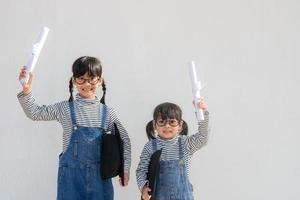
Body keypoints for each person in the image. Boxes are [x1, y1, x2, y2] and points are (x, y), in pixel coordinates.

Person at [17, 56, 131, 200]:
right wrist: (27, 90)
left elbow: (124, 140)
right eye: (81, 79)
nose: (86, 83)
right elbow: (35, 113)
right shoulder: (65, 108)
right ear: (73, 80)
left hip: (100, 180)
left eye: (91, 79)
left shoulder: (107, 113)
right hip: (71, 180)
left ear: (100, 80)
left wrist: (124, 170)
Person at [136, 100, 209, 200]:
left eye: (172, 122)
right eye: (161, 122)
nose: (167, 126)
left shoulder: (185, 143)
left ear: (180, 125)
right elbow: (141, 170)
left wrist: (202, 113)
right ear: (154, 125)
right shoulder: (150, 146)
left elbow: (203, 138)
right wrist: (143, 187)